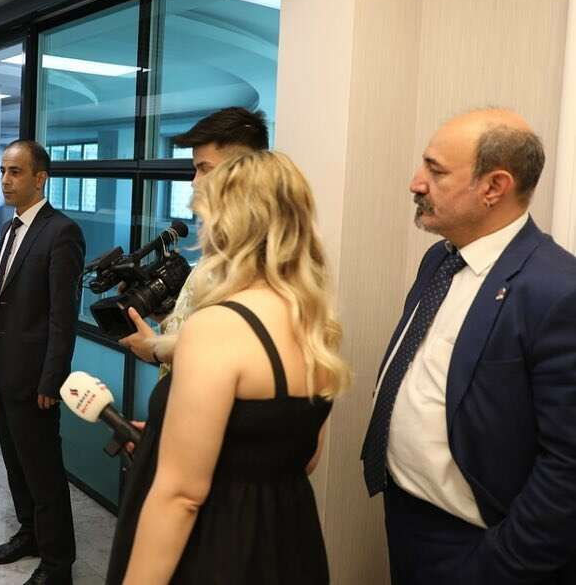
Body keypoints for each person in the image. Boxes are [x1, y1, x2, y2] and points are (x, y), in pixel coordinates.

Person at [107, 150, 349, 584]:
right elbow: (301, 456)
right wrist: (168, 436)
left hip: (220, 547)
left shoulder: (217, 326)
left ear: (227, 225)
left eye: (204, 218)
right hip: (289, 543)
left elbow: (180, 497)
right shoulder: (316, 326)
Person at [361, 109, 576, 584]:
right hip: (408, 519)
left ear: (494, 187)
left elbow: (567, 465)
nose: (416, 183)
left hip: (482, 549)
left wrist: (501, 564)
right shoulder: (440, 260)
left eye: (436, 171)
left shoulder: (557, 290)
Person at [0, 140, 85, 585]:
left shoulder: (61, 232)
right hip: (2, 365)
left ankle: (58, 564)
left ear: (40, 178)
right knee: (15, 462)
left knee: (43, 470)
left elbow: (62, 317)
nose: (5, 180)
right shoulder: (11, 227)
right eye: (3, 171)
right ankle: (30, 533)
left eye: (15, 172)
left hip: (34, 376)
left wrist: (52, 380)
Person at [118, 108, 269, 371]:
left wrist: (156, 350)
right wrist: (163, 313)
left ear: (242, 172)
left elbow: (231, 359)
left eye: (204, 168)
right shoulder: (220, 251)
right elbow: (203, 332)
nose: (195, 182)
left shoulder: (256, 262)